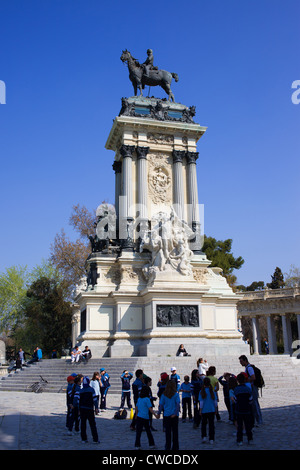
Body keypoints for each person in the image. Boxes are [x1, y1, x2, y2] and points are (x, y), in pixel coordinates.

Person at [73, 376, 99, 444]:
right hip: (90, 409)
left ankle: (84, 439)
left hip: (82, 409)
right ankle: (95, 439)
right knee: (92, 424)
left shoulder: (80, 391)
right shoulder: (91, 390)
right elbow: (95, 400)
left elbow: (78, 401)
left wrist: (78, 409)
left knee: (83, 424)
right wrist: (96, 408)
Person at [239, 355, 263, 426]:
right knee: (252, 404)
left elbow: (253, 377)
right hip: (251, 387)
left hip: (253, 387)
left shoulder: (249, 368)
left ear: (245, 360)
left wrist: (245, 380)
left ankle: (259, 420)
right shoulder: (247, 368)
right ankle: (255, 420)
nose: (240, 363)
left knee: (255, 403)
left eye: (241, 361)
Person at [158, 380, 181, 451]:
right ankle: (175, 446)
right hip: (174, 415)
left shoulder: (163, 395)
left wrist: (158, 413)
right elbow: (177, 404)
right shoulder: (176, 394)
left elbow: (161, 405)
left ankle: (167, 446)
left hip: (167, 415)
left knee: (167, 432)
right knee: (175, 432)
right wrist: (175, 413)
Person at [134, 385, 159, 450]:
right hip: (145, 417)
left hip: (139, 416)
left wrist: (136, 414)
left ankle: (137, 445)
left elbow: (136, 407)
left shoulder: (139, 399)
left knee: (138, 432)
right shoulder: (147, 399)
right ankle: (151, 444)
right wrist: (155, 415)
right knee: (148, 431)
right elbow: (150, 409)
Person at [233, 373, 254, 445]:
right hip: (247, 409)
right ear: (245, 380)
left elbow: (235, 400)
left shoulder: (236, 389)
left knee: (239, 426)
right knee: (248, 425)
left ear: (237, 381)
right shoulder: (248, 389)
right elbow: (251, 399)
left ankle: (240, 440)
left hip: (239, 410)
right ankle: (250, 439)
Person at [199, 377, 218, 444]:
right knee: (211, 425)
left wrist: (200, 410)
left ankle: (204, 436)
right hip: (211, 409)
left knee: (204, 424)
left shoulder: (201, 391)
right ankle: (211, 439)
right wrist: (216, 409)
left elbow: (201, 402)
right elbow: (215, 402)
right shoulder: (212, 391)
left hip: (204, 410)